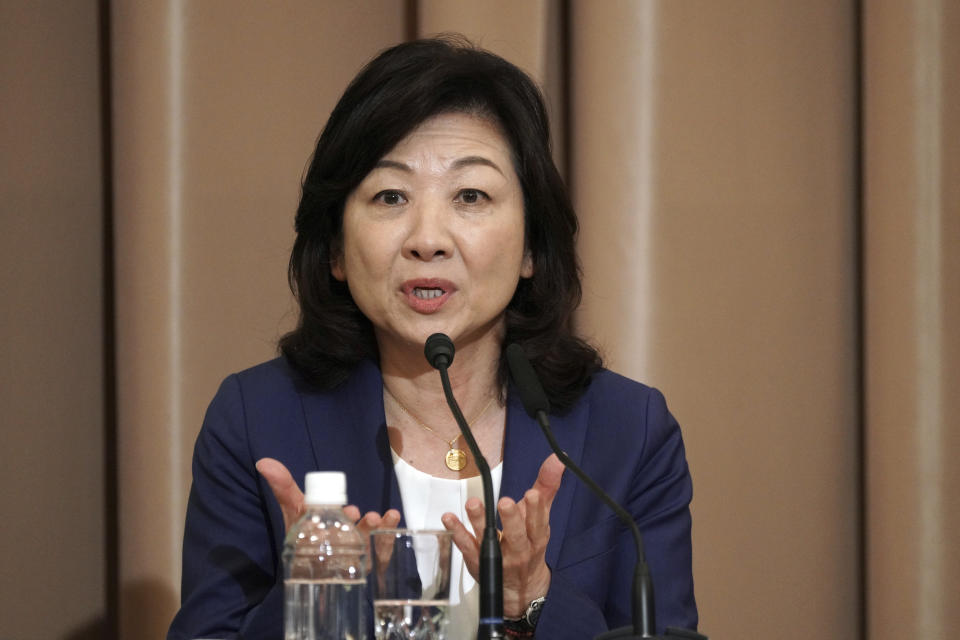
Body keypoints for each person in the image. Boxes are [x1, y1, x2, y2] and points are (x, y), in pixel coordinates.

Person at [168, 35, 697, 640]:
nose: (428, 238)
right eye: (390, 196)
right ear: (337, 249)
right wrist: (309, 598)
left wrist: (536, 602)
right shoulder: (257, 421)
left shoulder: (628, 432)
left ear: (531, 248)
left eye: (470, 196)